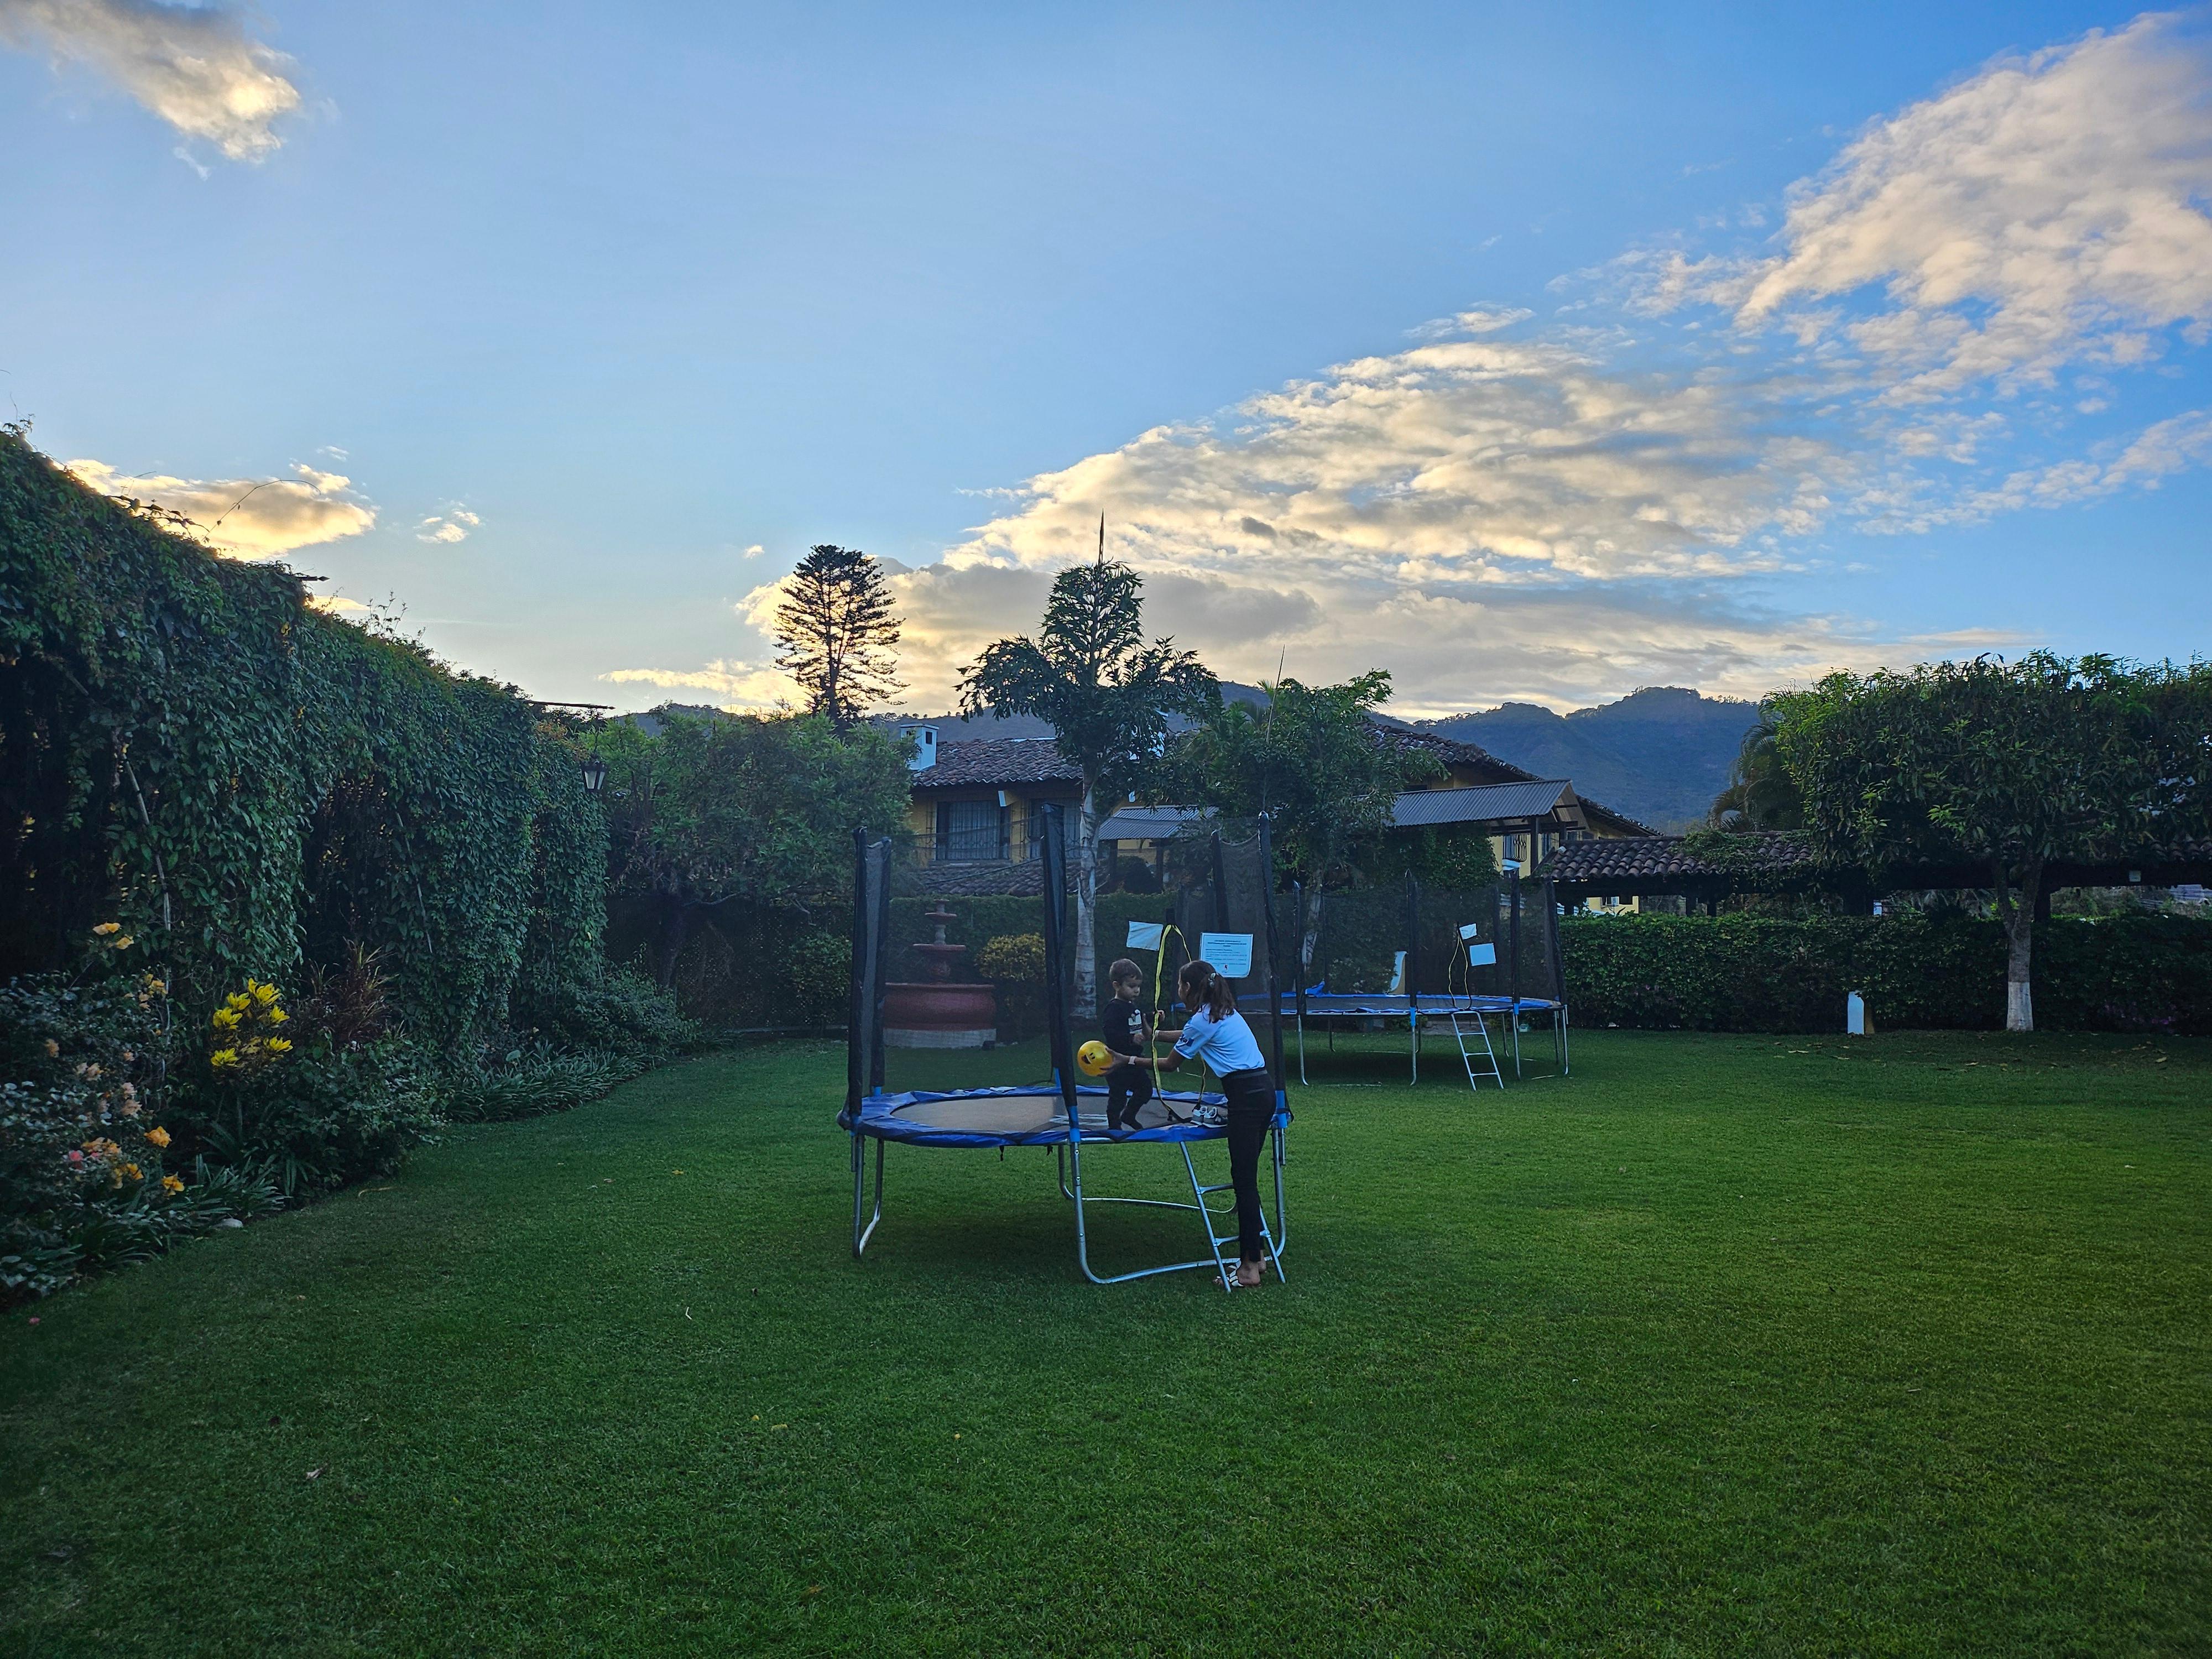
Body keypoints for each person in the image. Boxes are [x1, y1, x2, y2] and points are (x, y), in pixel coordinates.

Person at [1134, 959, 1275, 1288]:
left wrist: (1125, 1060)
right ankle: (1259, 1257)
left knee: (1244, 1180)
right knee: (1247, 1179)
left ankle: (1249, 1270)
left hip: (1246, 1099)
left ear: (1191, 988)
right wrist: (1152, 1035)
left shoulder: (1204, 1019)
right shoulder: (1224, 1010)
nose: (1178, 990)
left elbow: (1170, 1066)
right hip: (1262, 1092)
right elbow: (1189, 1034)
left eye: (1181, 985)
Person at [1100, 957, 1155, 1138]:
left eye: (1138, 986)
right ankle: (1114, 1125)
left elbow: (1140, 1025)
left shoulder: (1132, 1005)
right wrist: (1131, 1039)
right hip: (1117, 1061)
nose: (1136, 990)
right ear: (1117, 985)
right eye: (1131, 986)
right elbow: (1111, 1033)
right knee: (1118, 1095)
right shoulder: (1114, 1008)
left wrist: (1153, 1019)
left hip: (1134, 1060)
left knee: (1146, 1089)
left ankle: (1129, 1115)